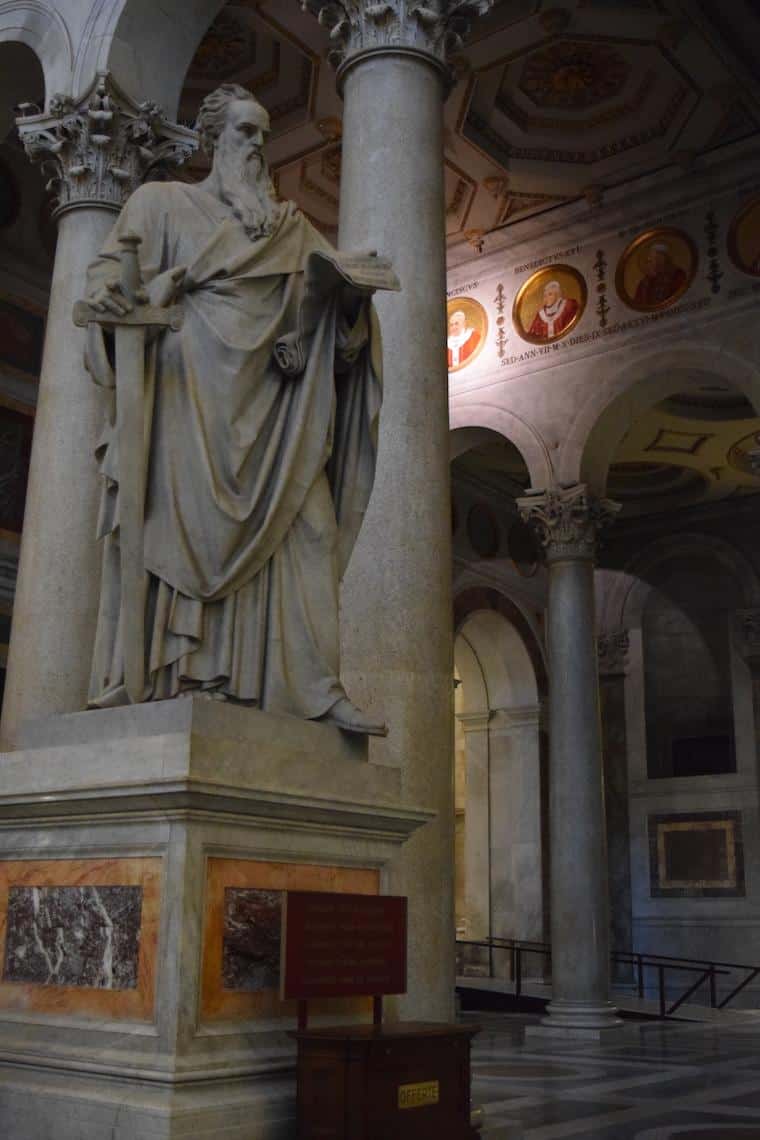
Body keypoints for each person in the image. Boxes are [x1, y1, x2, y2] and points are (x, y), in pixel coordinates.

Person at [83, 84, 387, 734]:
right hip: (186, 412)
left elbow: (341, 345)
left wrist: (348, 306)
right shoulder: (160, 204)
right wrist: (115, 297)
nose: (256, 149)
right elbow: (107, 277)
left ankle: (316, 687)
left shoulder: (291, 230)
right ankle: (172, 676)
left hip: (277, 422)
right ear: (211, 139)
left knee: (310, 529)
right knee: (176, 539)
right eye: (244, 134)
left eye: (262, 135)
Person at [633, 242, 686, 307]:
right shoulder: (644, 282)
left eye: (654, 258)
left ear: (664, 259)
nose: (650, 261)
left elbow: (681, 298)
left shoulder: (677, 274)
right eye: (650, 259)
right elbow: (637, 304)